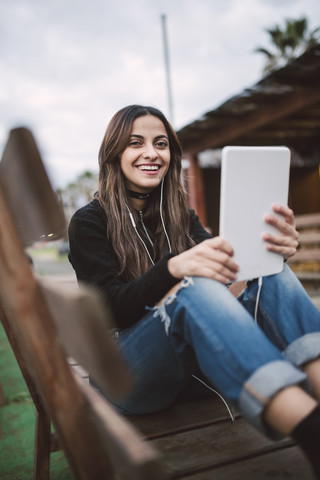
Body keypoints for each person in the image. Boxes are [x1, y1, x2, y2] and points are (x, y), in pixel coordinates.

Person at [68, 104, 320, 477]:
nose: (152, 153)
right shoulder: (89, 221)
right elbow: (109, 310)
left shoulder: (180, 215)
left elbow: (231, 268)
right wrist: (171, 269)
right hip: (126, 377)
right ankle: (312, 432)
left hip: (191, 374)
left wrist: (270, 247)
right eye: (136, 143)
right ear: (114, 153)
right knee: (190, 289)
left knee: (273, 274)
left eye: (161, 143)